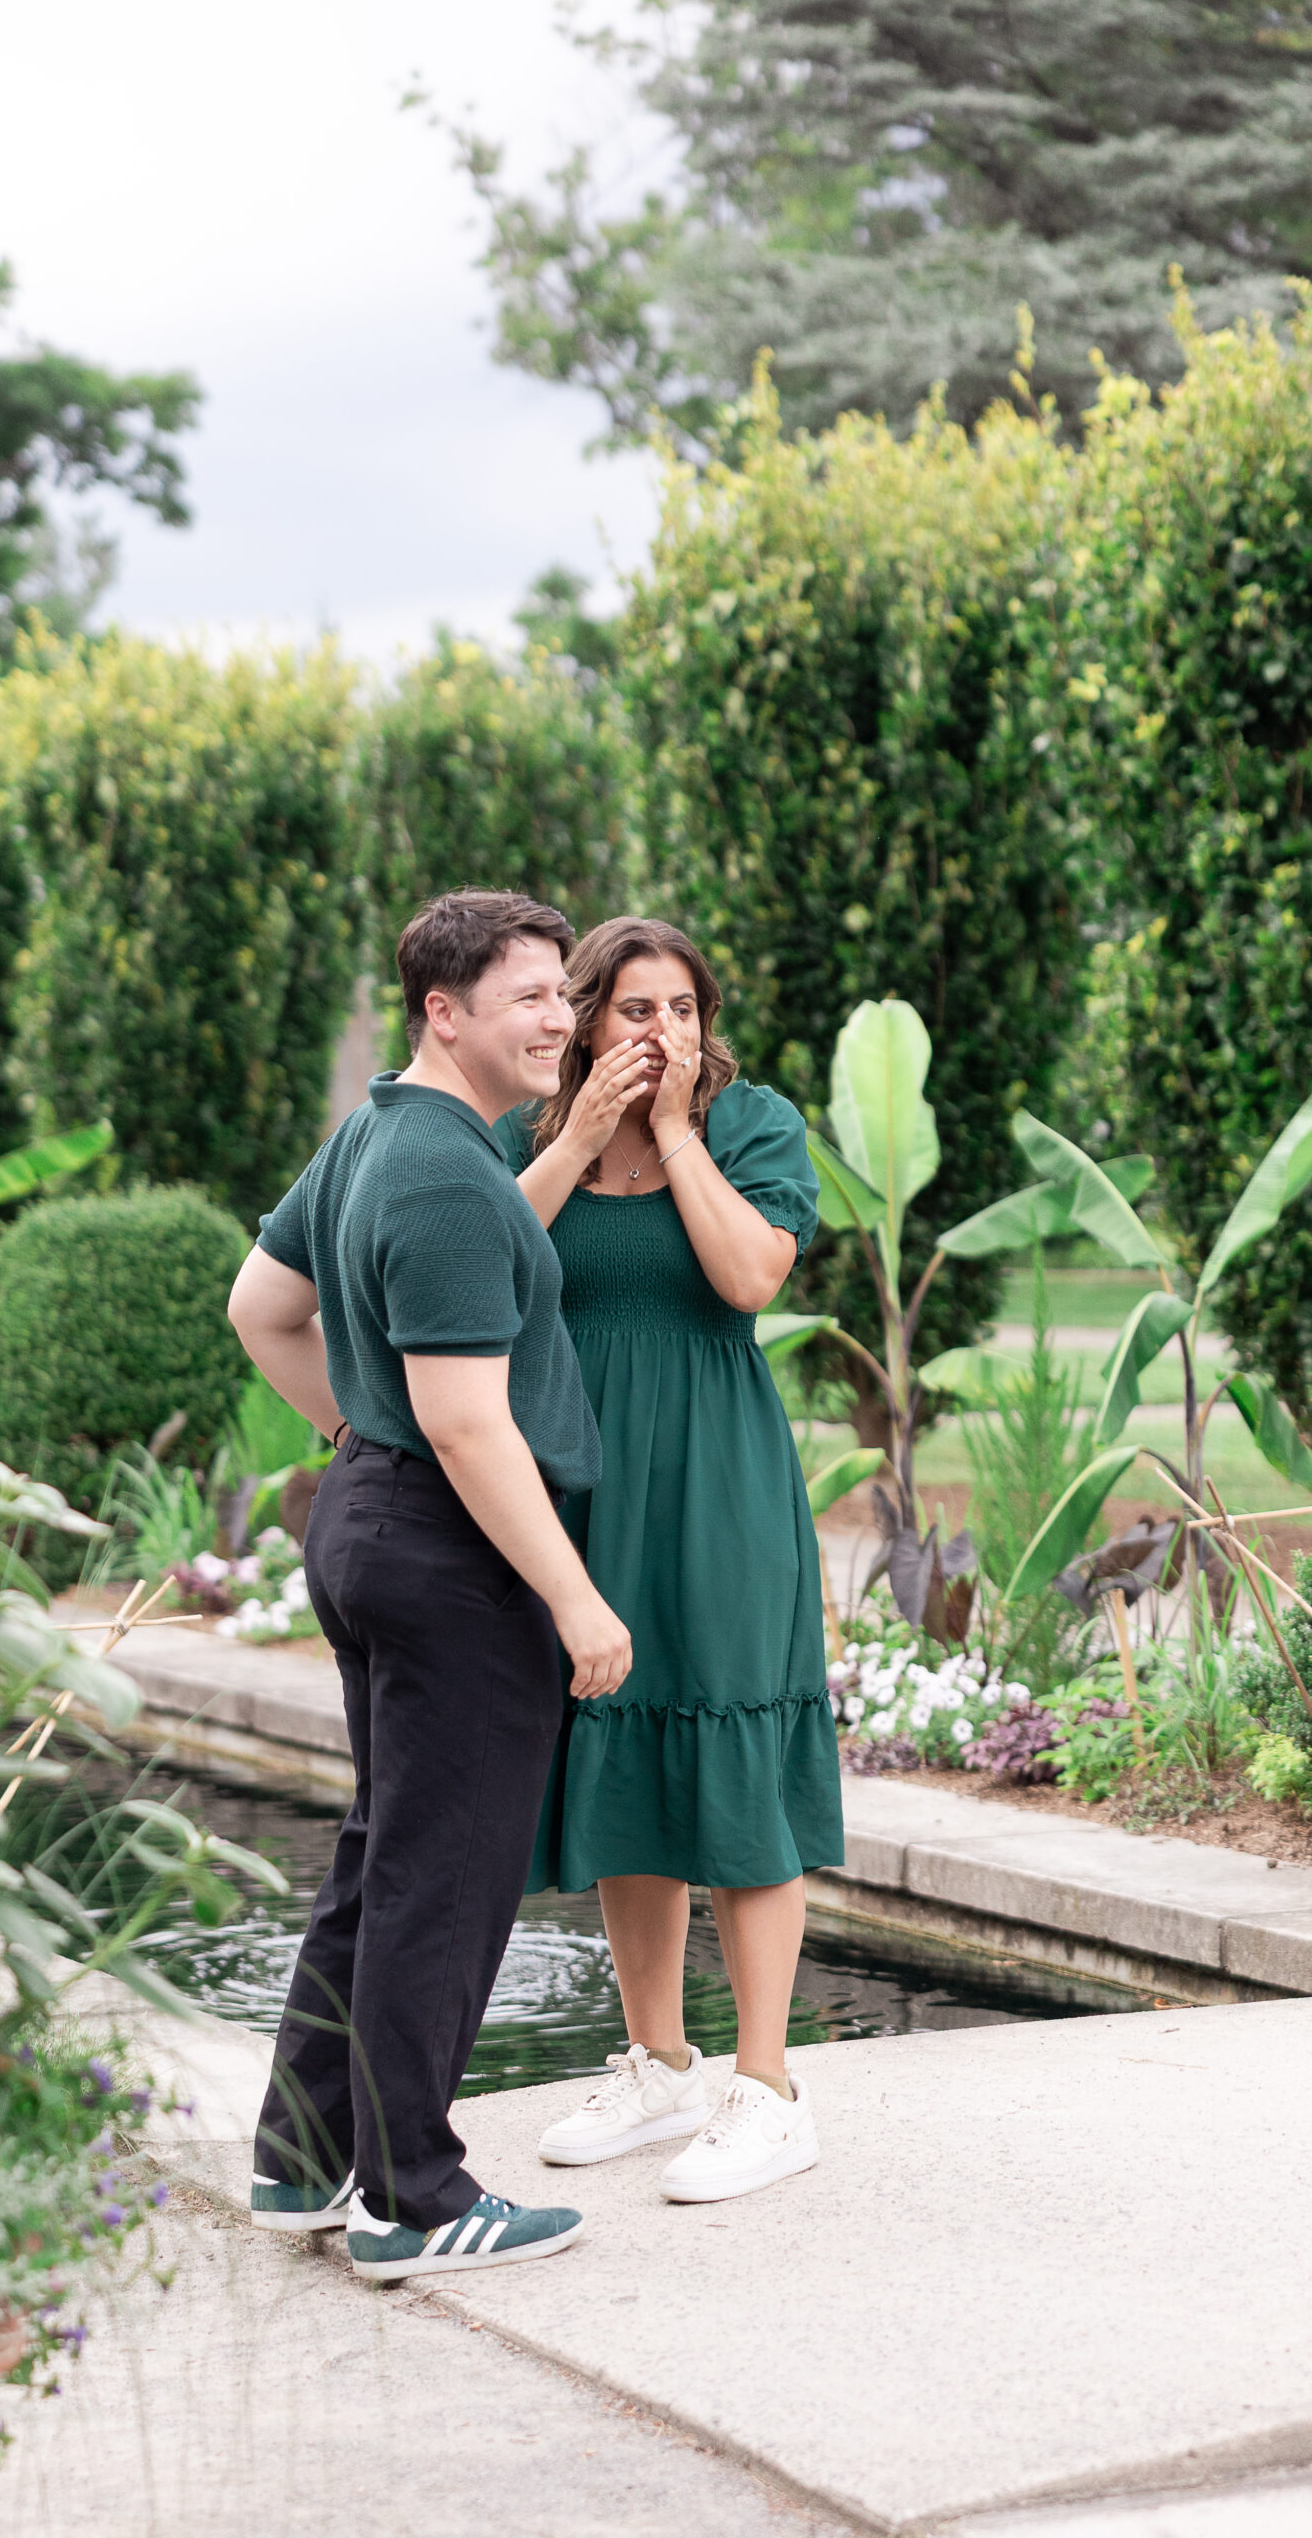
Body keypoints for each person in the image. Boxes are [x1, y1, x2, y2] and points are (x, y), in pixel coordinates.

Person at [227, 888, 633, 2282]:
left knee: (379, 1856)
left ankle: (301, 2161)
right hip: (449, 1552)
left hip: (372, 1524)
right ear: (441, 1013)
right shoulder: (449, 1175)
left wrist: (350, 1430)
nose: (558, 1021)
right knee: (440, 1880)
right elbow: (466, 1420)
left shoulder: (372, 1142)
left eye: (561, 997)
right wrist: (574, 1598)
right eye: (529, 998)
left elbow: (259, 1309)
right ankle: (413, 2196)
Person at [493, 916, 842, 2204]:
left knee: (734, 1753)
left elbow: (751, 1278)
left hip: (718, 1484)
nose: (663, 1033)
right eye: (635, 1009)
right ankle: (659, 2062)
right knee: (624, 1742)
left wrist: (680, 1133)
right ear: (586, 1021)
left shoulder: (753, 1126)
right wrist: (584, 1138)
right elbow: (486, 1260)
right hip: (586, 1488)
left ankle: (769, 2089)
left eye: (682, 1009)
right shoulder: (536, 1135)